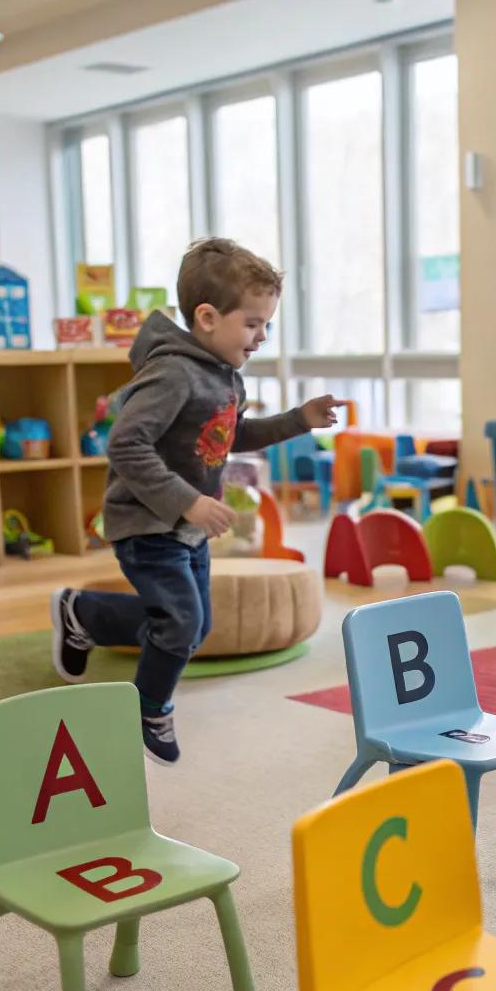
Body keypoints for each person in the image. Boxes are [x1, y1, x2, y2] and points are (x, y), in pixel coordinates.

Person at [51, 237, 338, 765]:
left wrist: (300, 419)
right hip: (147, 525)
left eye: (267, 324)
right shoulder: (173, 372)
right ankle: (148, 706)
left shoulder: (223, 376)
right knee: (180, 625)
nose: (261, 337)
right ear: (207, 317)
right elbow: (125, 444)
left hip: (186, 528)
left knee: (192, 626)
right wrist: (188, 501)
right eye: (252, 323)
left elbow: (233, 435)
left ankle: (84, 614)